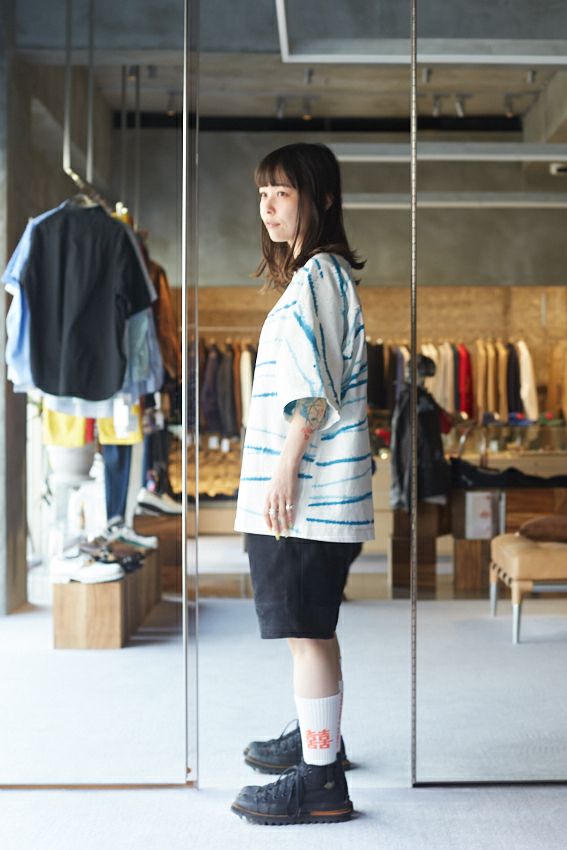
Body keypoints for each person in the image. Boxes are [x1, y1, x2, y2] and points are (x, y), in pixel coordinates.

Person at [232, 142, 375, 825]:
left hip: (307, 499)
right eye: (263, 194)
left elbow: (313, 392)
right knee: (312, 629)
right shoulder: (324, 276)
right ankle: (321, 738)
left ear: (320, 199)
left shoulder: (317, 276)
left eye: (282, 193)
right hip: (321, 498)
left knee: (306, 635)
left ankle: (319, 781)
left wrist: (284, 469)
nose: (267, 207)